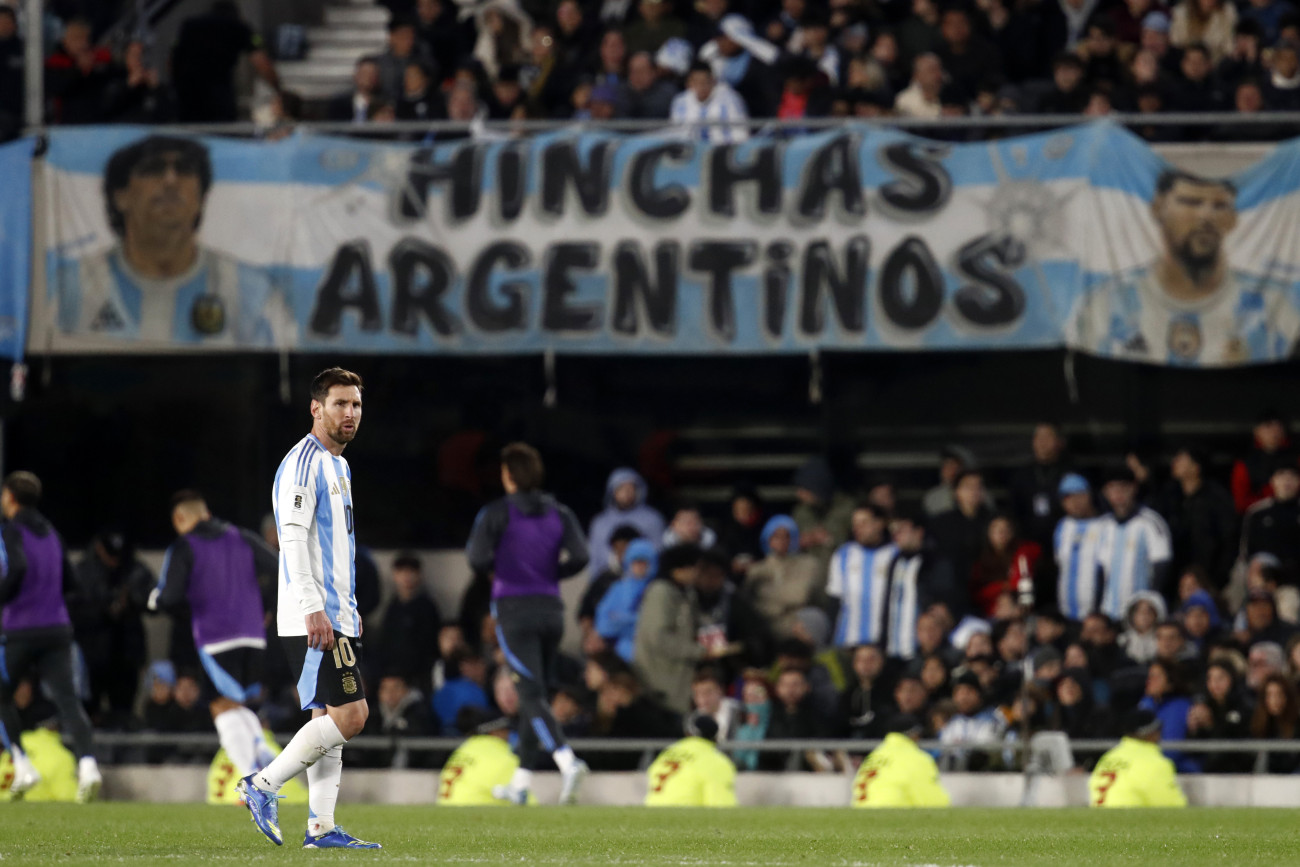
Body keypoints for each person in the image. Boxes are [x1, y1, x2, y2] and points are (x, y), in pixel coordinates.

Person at [239, 367, 379, 850]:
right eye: (340, 404)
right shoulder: (304, 462)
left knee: (327, 716)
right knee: (352, 715)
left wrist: (348, 606)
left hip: (335, 612)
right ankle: (262, 785)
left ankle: (320, 826)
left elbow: (335, 548)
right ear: (316, 408)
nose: (350, 414)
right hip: (312, 617)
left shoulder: (338, 465)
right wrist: (314, 607)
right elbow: (292, 540)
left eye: (356, 405)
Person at [57, 135, 280, 345]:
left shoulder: (250, 290)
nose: (171, 180)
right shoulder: (72, 288)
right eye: (152, 169)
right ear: (120, 196)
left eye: (184, 170)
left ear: (202, 196)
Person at [465, 442, 591, 806]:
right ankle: (521, 782)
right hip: (552, 609)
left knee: (530, 694)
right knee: (536, 695)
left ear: (508, 475)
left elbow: (475, 557)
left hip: (514, 610)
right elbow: (581, 555)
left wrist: (500, 571)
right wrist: (554, 572)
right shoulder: (561, 512)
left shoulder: (496, 512)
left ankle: (568, 763)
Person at [1067, 169, 1300, 365]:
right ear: (1158, 208)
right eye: (1191, 202)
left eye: (1219, 205)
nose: (1206, 216)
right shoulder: (1105, 308)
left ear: (1233, 219)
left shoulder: (1274, 308)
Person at [149, 489, 279, 784]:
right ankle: (259, 746)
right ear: (206, 512)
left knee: (219, 705)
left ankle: (252, 777)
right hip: (255, 638)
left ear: (180, 518)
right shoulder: (242, 537)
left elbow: (169, 597)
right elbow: (278, 567)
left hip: (216, 638)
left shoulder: (185, 546)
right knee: (236, 703)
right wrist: (267, 608)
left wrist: (154, 600)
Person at [0, 471, 101, 802]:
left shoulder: (12, 530)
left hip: (19, 629)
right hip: (57, 629)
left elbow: (15, 568)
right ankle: (88, 765)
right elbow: (72, 583)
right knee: (67, 700)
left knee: (3, 695)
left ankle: (22, 763)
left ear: (11, 498)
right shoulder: (52, 534)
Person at [171, 1, 280, 123]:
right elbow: (262, 63)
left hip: (186, 92)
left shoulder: (189, 25)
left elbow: (172, 57)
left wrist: (175, 85)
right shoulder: (239, 27)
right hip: (218, 93)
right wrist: (278, 88)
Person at [1096, 468, 1172, 620]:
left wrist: (1149, 606)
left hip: (1139, 616)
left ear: (1134, 488)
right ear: (1105, 492)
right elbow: (1099, 571)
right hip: (1108, 611)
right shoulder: (1102, 525)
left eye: (1123, 488)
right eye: (1112, 488)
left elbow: (1162, 567)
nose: (1118, 494)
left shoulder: (1151, 522)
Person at [827, 505, 900, 650]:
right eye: (855, 524)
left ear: (879, 524)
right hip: (848, 641)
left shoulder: (896, 554)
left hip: (886, 643)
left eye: (863, 523)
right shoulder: (843, 555)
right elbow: (834, 600)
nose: (857, 528)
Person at [1089, 709, 1187, 807]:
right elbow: (1173, 807)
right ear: (1152, 733)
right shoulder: (1156, 763)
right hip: (1129, 820)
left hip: (1098, 818)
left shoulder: (1108, 757)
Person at [850, 714, 951, 808]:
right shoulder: (918, 758)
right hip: (891, 812)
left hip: (860, 811)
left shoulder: (874, 755)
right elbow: (932, 800)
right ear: (914, 734)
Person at [375, 553, 442, 691]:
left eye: (411, 572)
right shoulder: (392, 607)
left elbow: (430, 645)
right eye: (402, 572)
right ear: (394, 575)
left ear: (419, 575)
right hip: (392, 673)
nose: (407, 577)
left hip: (419, 676)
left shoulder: (427, 607)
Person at [644, 713, 738, 807]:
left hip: (650, 811)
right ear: (716, 738)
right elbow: (722, 805)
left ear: (687, 733)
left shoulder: (669, 752)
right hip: (683, 814)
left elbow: (652, 772)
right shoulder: (717, 761)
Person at [438, 708, 527, 805]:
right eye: (505, 730)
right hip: (474, 814)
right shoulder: (503, 757)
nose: (508, 735)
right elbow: (527, 802)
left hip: (444, 811)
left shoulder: (463, 750)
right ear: (495, 731)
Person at [587, 468, 664, 579]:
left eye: (631, 488)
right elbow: (594, 558)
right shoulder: (600, 523)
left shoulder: (652, 519)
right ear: (613, 491)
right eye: (621, 488)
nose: (627, 493)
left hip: (643, 580)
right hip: (607, 580)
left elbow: (658, 552)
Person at [595, 538, 658, 662]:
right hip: (619, 651)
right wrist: (634, 620)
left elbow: (654, 625)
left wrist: (621, 619)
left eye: (644, 562)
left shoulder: (657, 589)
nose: (639, 566)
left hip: (652, 650)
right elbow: (603, 625)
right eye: (635, 561)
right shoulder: (617, 588)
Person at [1009, 423, 1071, 548]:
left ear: (1059, 442)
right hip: (1029, 544)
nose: (1043, 442)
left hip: (1064, 541)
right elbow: (1014, 511)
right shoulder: (1022, 474)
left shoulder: (1070, 473)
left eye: (1048, 437)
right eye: (1038, 437)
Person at [1055, 474, 1104, 621]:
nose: (1074, 502)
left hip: (1096, 611)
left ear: (1089, 496)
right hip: (1066, 610)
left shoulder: (1106, 525)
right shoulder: (1062, 527)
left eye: (1079, 495)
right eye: (1067, 498)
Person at [670, 61, 749, 143]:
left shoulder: (730, 99)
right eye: (696, 82)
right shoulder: (680, 101)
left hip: (723, 150)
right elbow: (677, 133)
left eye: (704, 82)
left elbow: (741, 134)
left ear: (713, 81)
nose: (701, 86)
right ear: (688, 83)